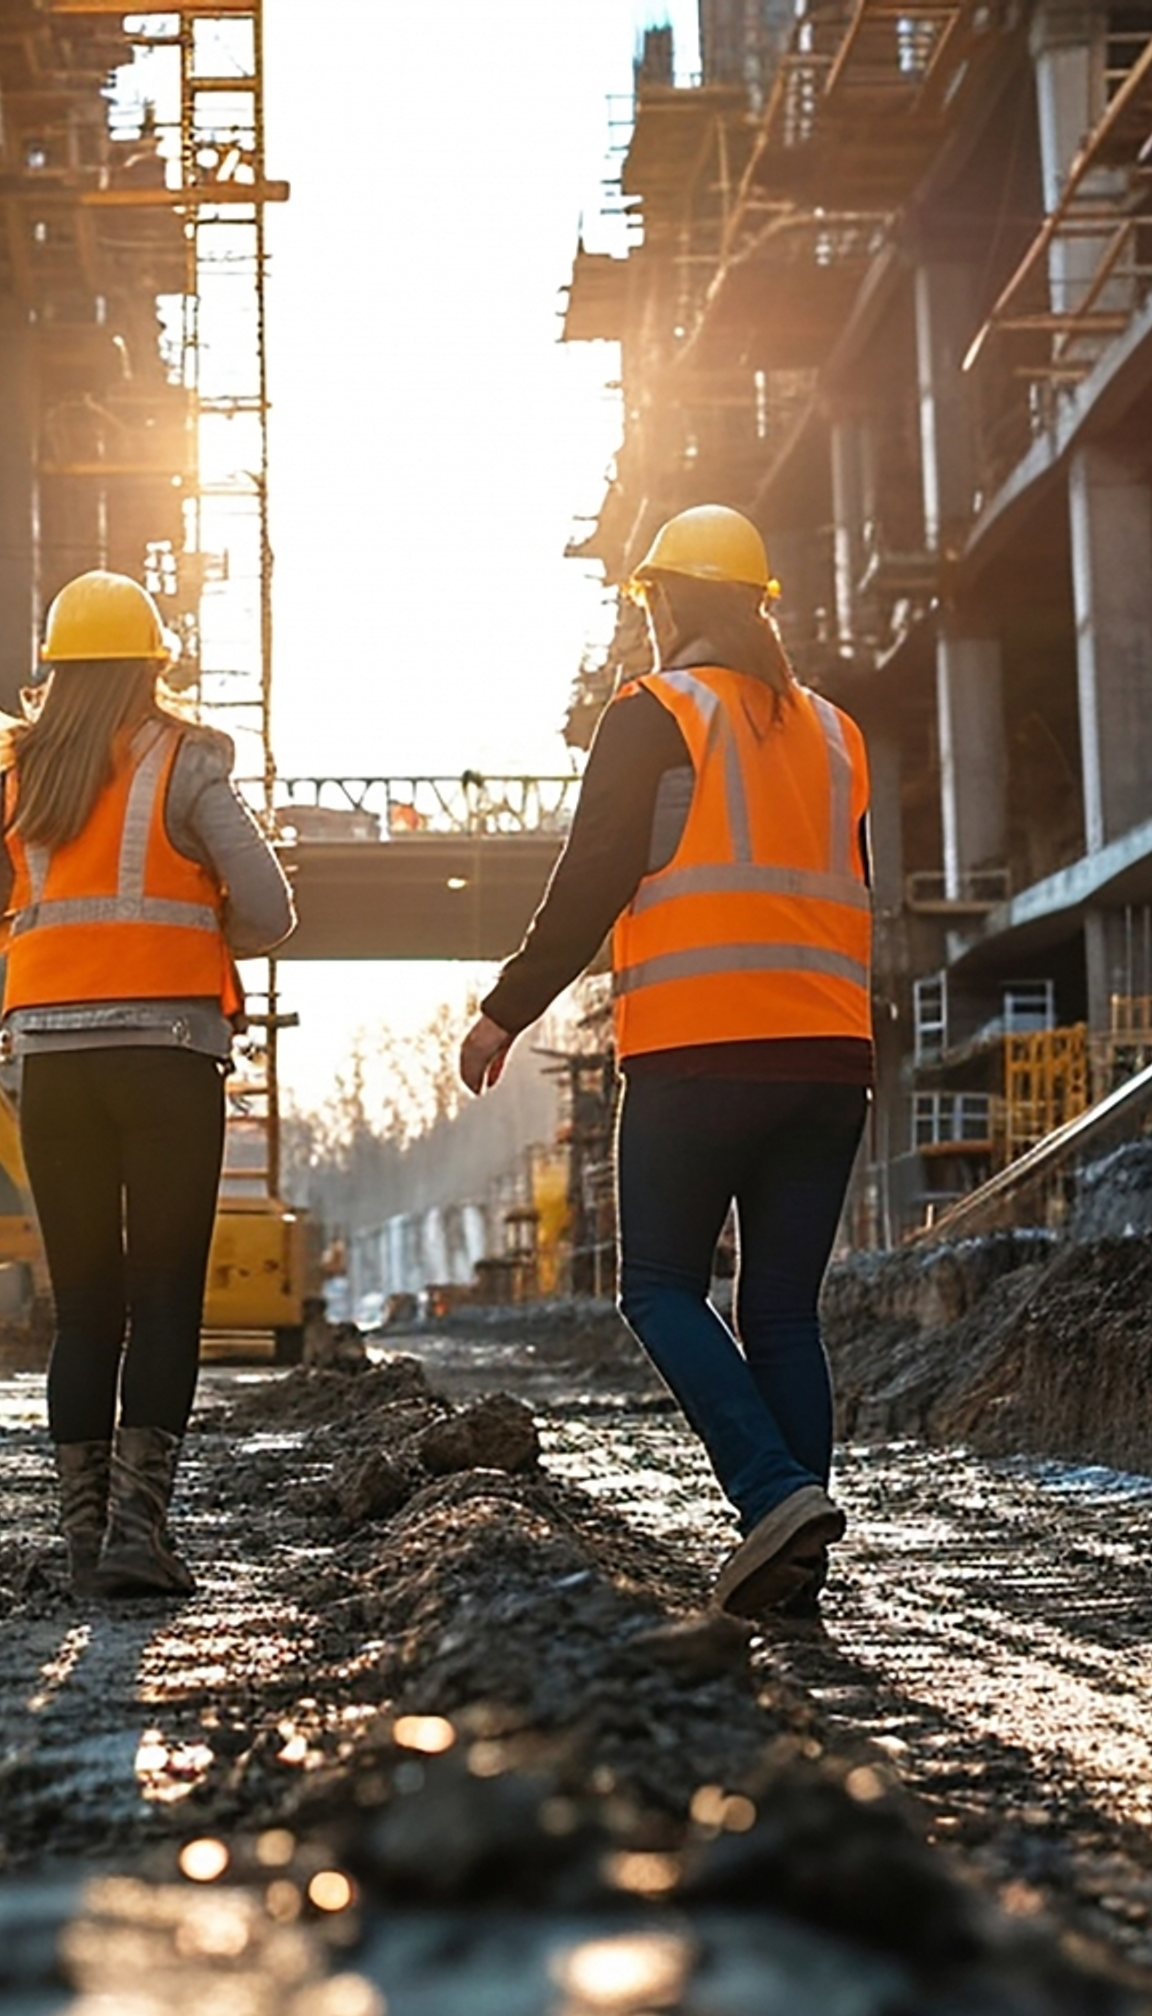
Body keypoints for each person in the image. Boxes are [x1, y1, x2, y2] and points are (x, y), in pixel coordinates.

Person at [456, 506, 873, 1622]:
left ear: (669, 603)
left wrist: (507, 1009)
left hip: (700, 1050)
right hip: (832, 1056)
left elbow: (593, 877)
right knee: (783, 1310)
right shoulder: (836, 733)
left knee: (658, 1287)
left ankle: (773, 1490)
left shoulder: (653, 716)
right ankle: (796, 1553)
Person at [0, 571, 295, 1597]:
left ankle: (82, 1541)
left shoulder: (15, 778)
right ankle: (143, 1534)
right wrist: (191, 935)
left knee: (87, 1308)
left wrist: (54, 935)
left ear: (54, 668)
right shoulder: (188, 763)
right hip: (168, 1060)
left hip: (54, 1069)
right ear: (156, 665)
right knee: (165, 1296)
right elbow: (272, 911)